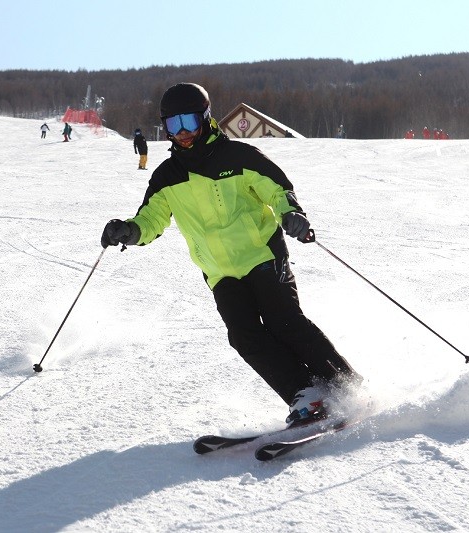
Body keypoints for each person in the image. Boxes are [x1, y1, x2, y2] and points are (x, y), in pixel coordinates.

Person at [101, 83, 363, 427]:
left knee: (284, 322)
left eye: (189, 122)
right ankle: (306, 395)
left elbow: (278, 188)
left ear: (206, 119)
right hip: (220, 272)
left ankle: (348, 388)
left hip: (262, 255)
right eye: (174, 124)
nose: (182, 133)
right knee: (244, 336)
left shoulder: (239, 157)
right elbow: (151, 219)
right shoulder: (166, 177)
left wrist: (291, 213)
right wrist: (129, 231)